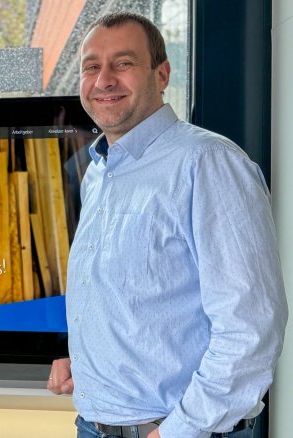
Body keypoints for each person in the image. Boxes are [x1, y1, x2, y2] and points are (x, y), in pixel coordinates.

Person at [46, 12, 287, 438]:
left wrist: (178, 431)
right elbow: (137, 300)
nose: (104, 80)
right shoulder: (99, 173)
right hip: (96, 426)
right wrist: (87, 362)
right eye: (91, 66)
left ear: (162, 74)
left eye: (123, 63)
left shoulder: (208, 163)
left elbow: (251, 325)